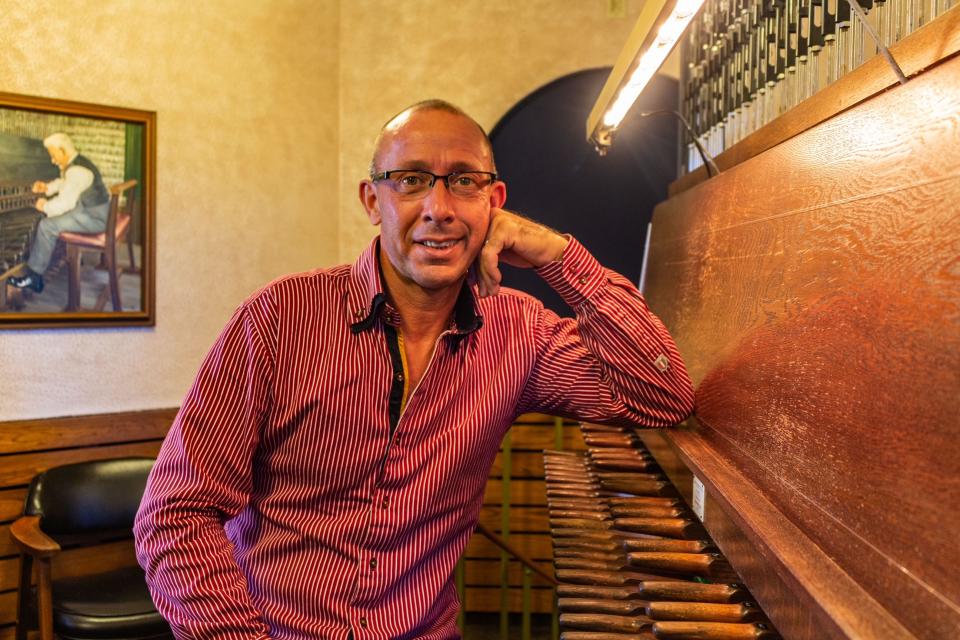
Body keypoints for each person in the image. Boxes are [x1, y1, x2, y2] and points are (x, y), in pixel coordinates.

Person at [134, 100, 695, 639]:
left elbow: (662, 394)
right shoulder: (279, 319)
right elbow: (175, 515)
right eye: (411, 180)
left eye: (465, 181)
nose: (440, 208)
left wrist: (557, 255)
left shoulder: (521, 334)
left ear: (494, 201)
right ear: (373, 201)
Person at [7, 132, 111, 293]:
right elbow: (65, 183)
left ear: (63, 151)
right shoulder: (77, 163)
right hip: (93, 210)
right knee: (52, 219)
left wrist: (45, 206)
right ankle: (44, 263)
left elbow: (65, 203)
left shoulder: (77, 171)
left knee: (46, 226)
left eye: (54, 155)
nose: (52, 160)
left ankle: (34, 278)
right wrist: (47, 188)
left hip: (96, 219)